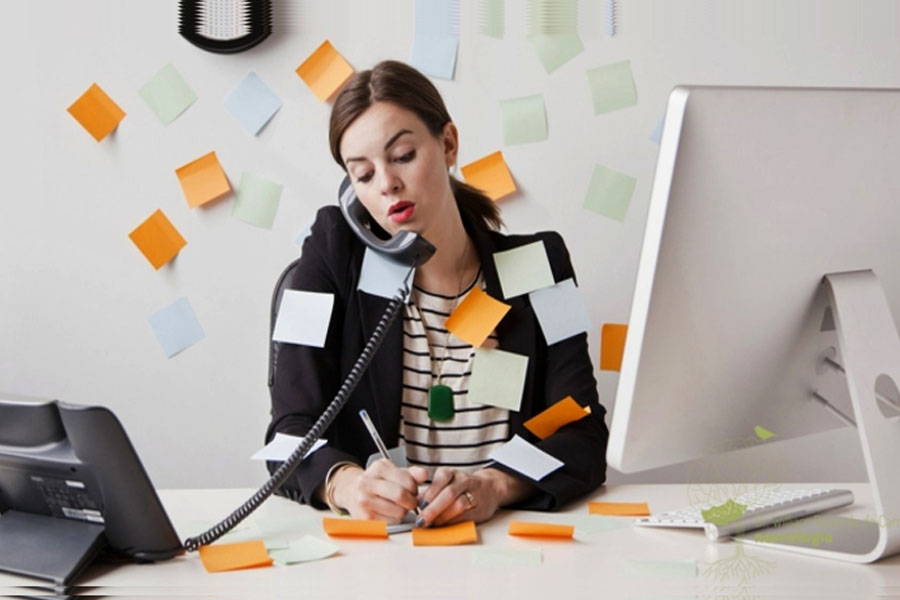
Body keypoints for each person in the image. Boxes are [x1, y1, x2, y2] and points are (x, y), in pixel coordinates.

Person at [266, 60, 608, 528]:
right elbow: (287, 433)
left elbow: (582, 429)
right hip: (382, 547)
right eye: (363, 175)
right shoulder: (330, 252)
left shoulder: (539, 264)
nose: (387, 184)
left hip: (504, 539)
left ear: (448, 144)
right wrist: (347, 485)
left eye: (403, 155)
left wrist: (495, 486)